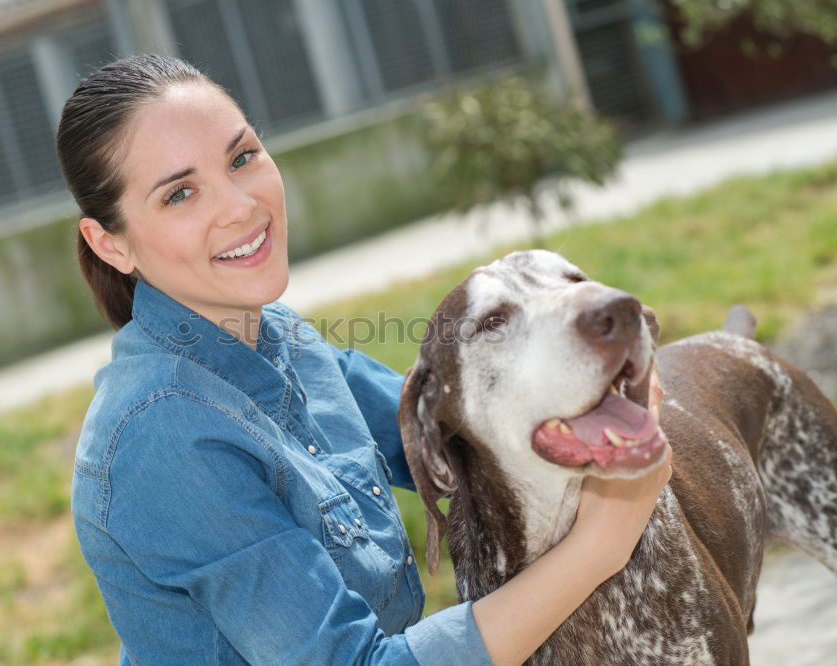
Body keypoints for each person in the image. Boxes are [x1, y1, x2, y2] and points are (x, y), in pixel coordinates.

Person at [58, 54, 672, 666]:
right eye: (181, 193)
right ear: (109, 242)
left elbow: (457, 435)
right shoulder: (161, 437)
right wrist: (600, 546)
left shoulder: (281, 338)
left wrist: (589, 389)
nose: (241, 206)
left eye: (242, 157)